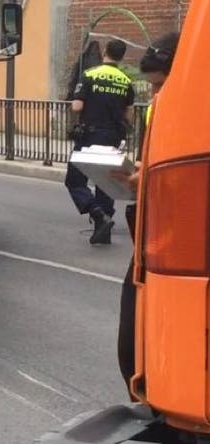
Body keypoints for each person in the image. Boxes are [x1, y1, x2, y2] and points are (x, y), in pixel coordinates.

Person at [114, 33, 180, 390]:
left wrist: (148, 175)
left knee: (137, 340)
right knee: (133, 342)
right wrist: (142, 173)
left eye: (160, 83)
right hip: (154, 233)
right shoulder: (165, 104)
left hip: (171, 238)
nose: (155, 94)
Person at [64, 38, 135, 246]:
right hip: (113, 137)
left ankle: (97, 215)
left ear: (105, 51)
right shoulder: (126, 81)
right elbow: (128, 115)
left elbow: (77, 106)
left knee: (75, 180)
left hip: (90, 137)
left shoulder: (90, 75)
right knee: (106, 182)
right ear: (121, 56)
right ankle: (103, 230)